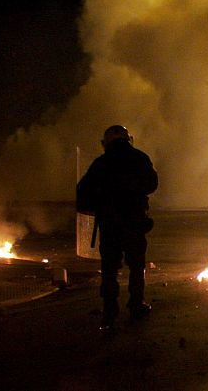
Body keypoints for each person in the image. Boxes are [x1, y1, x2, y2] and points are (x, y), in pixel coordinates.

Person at [77, 125, 158, 331]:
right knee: (136, 267)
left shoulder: (100, 163)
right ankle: (136, 305)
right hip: (134, 223)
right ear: (128, 140)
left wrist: (98, 206)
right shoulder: (140, 158)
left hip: (110, 225)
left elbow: (82, 193)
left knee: (109, 270)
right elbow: (152, 184)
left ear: (106, 143)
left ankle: (109, 313)